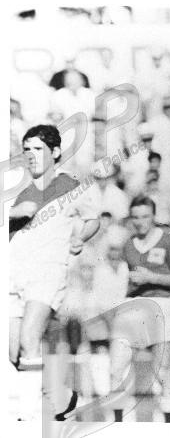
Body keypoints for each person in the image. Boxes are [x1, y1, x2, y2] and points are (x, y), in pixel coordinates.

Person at [9, 124, 100, 420]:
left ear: (56, 152)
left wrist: (80, 238)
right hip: (15, 274)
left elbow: (93, 220)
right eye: (27, 149)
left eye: (38, 149)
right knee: (13, 351)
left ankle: (26, 416)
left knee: (29, 338)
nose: (31, 155)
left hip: (48, 272)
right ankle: (61, 397)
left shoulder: (70, 185)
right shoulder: (20, 191)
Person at [109, 195, 170, 423]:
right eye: (136, 217)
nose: (140, 222)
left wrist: (151, 277)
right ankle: (117, 422)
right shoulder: (128, 245)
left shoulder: (168, 241)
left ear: (153, 216)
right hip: (133, 306)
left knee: (161, 370)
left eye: (145, 216)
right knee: (116, 367)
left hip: (160, 305)